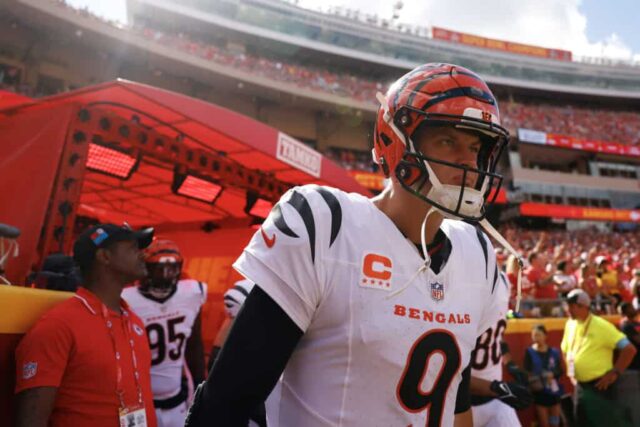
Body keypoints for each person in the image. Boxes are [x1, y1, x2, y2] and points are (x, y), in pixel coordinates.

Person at [185, 63, 522, 426]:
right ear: (395, 141)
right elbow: (227, 401)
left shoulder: (478, 255)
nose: (469, 162)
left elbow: (454, 398)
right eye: (447, 141)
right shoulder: (326, 224)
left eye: (475, 147)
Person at [14, 223, 157, 427]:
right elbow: (31, 420)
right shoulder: (58, 325)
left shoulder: (134, 321)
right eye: (133, 248)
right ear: (104, 256)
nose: (143, 255)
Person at [122, 239, 207, 427]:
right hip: (135, 403)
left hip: (176, 399)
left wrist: (202, 388)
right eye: (159, 268)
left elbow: (194, 346)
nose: (166, 275)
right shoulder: (126, 298)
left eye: (171, 268)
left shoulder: (192, 293)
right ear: (145, 268)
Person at [560, 289, 636, 427]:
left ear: (584, 307)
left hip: (600, 386)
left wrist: (615, 373)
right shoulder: (570, 324)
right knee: (579, 422)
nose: (568, 309)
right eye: (567, 305)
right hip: (580, 386)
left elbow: (629, 349)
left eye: (572, 306)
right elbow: (565, 350)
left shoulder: (601, 326)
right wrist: (570, 373)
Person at [470, 270, 532, 426]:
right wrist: (496, 388)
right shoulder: (456, 277)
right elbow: (446, 372)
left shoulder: (502, 279)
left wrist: (510, 364)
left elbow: (495, 338)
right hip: (459, 404)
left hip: (495, 398)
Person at [524, 325, 564, 427]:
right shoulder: (529, 352)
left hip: (554, 393)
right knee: (544, 423)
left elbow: (560, 370)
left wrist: (552, 374)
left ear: (545, 336)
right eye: (534, 335)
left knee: (555, 422)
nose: (536, 338)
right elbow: (526, 373)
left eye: (539, 335)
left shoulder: (554, 352)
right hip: (540, 393)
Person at [524, 252, 556, 317]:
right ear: (533, 259)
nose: (542, 260)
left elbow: (550, 281)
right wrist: (551, 274)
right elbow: (540, 284)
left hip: (549, 301)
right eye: (539, 258)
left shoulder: (542, 270)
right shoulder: (531, 271)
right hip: (540, 302)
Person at [618, 302, 640, 370]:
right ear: (624, 313)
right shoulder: (626, 326)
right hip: (636, 362)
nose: (634, 309)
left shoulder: (635, 323)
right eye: (631, 308)